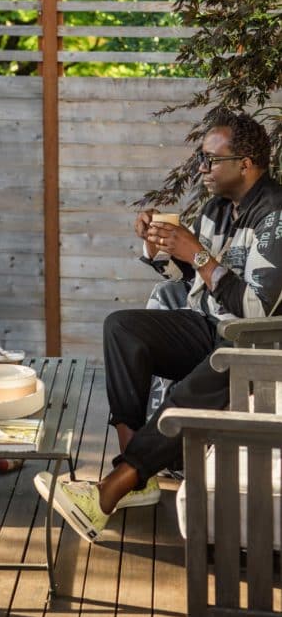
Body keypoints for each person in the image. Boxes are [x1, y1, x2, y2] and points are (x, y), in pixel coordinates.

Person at [34, 111, 282, 543]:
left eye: (211, 160)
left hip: (259, 344)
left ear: (246, 164)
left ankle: (111, 490)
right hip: (212, 325)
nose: (202, 169)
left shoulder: (275, 215)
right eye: (200, 159)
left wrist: (200, 254)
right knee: (123, 329)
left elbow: (256, 310)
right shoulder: (216, 210)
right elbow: (194, 286)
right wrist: (162, 251)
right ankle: (138, 472)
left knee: (215, 367)